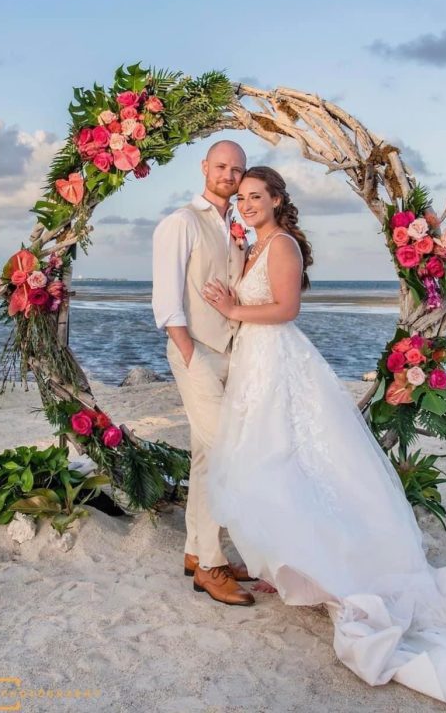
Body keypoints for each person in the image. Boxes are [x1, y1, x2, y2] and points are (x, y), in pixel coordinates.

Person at [201, 166, 446, 708]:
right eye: (241, 198)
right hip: (255, 364)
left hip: (279, 359)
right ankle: (294, 565)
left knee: (292, 459)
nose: (248, 204)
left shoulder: (281, 244)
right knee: (272, 462)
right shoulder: (254, 246)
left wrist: (233, 308)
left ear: (279, 199)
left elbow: (286, 309)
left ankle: (326, 567)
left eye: (257, 196)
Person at [151, 139, 257, 607]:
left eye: (237, 169)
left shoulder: (237, 226)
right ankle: (212, 567)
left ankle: (197, 551)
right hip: (197, 352)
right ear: (203, 168)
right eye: (221, 166)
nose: (228, 175)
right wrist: (189, 352)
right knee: (224, 454)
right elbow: (166, 298)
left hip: (231, 352)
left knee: (205, 456)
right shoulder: (181, 222)